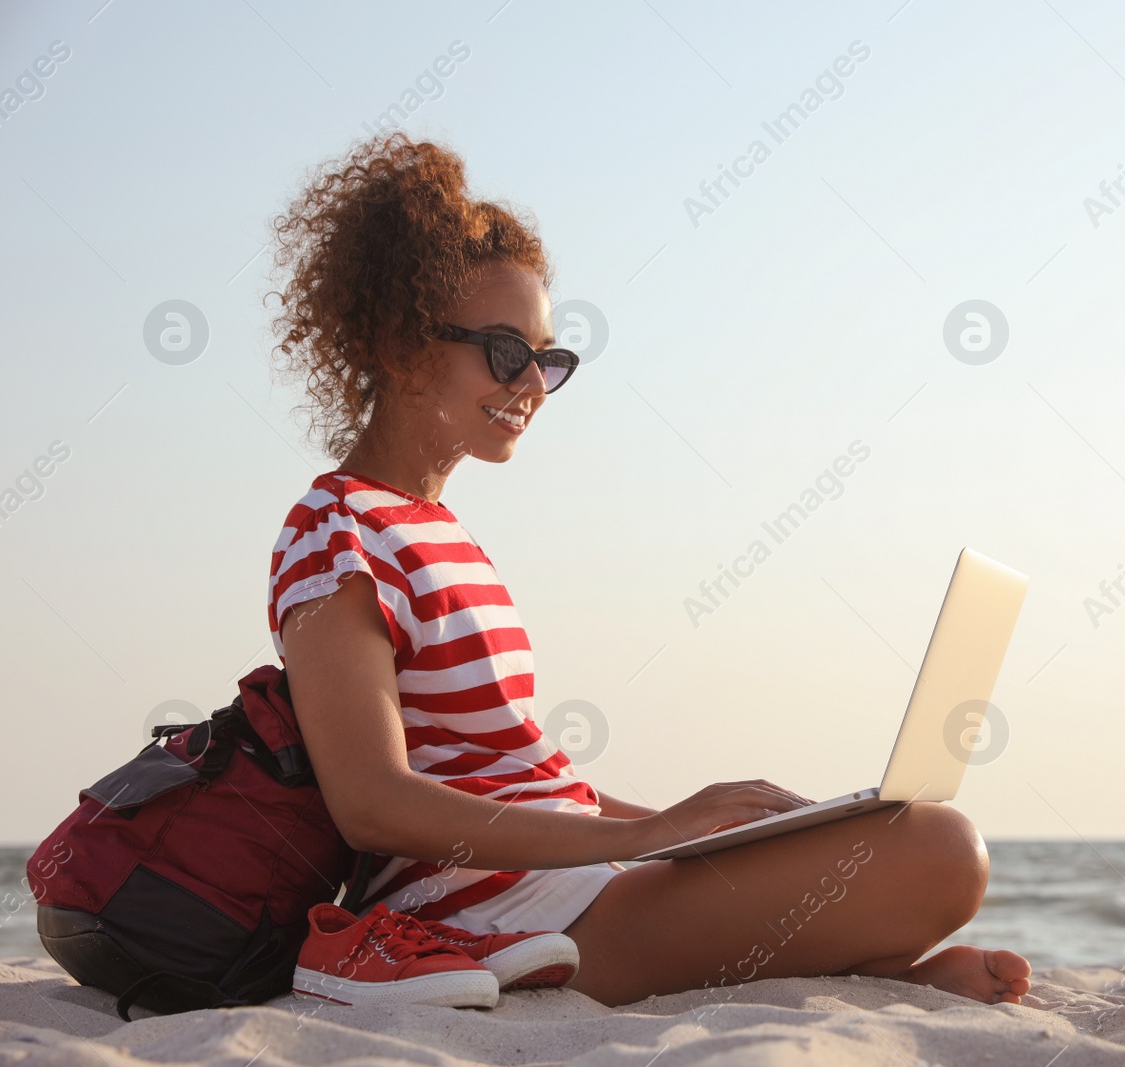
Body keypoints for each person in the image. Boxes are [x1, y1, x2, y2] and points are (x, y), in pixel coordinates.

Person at [266, 132, 1033, 1008]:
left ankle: (873, 967)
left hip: (572, 878)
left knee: (900, 836)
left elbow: (530, 780)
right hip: (490, 911)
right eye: (506, 352)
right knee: (942, 852)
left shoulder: (439, 531)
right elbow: (371, 803)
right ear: (402, 343)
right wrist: (664, 833)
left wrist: (705, 825)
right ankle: (879, 972)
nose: (532, 386)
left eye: (548, 360)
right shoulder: (335, 532)